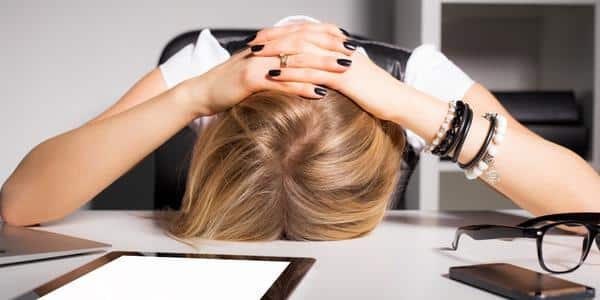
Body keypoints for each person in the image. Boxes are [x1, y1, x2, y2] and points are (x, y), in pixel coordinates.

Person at [1, 16, 599, 241]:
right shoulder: (205, 65)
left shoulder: (412, 77)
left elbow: (588, 207)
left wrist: (404, 102)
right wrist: (195, 91)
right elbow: (21, 203)